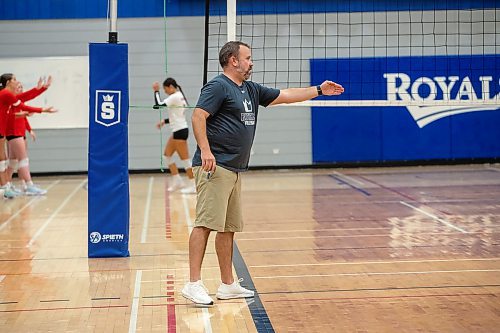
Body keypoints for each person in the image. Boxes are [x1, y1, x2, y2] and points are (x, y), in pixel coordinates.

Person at [181, 41, 344, 305]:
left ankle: (227, 285)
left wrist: (318, 90)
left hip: (233, 168)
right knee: (205, 223)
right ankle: (193, 283)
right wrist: (206, 151)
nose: (251, 62)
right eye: (248, 58)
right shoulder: (218, 86)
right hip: (215, 165)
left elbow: (286, 95)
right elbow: (198, 116)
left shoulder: (250, 89)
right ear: (233, 61)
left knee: (228, 228)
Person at [0, 73, 56, 199]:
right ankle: (23, 185)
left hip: (9, 132)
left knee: (9, 161)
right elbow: (20, 108)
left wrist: (42, 89)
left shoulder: (9, 96)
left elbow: (26, 97)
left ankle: (6, 185)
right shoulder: (6, 95)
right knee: (14, 160)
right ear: (8, 83)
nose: (18, 84)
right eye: (15, 81)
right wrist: (42, 110)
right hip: (11, 132)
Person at [153, 78, 196, 194]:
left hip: (180, 131)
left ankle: (194, 185)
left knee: (186, 160)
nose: (165, 92)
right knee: (167, 156)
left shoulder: (175, 96)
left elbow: (158, 106)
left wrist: (156, 91)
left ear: (170, 86)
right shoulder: (180, 95)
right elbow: (177, 115)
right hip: (178, 130)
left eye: (165, 89)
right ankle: (178, 181)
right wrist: (165, 121)